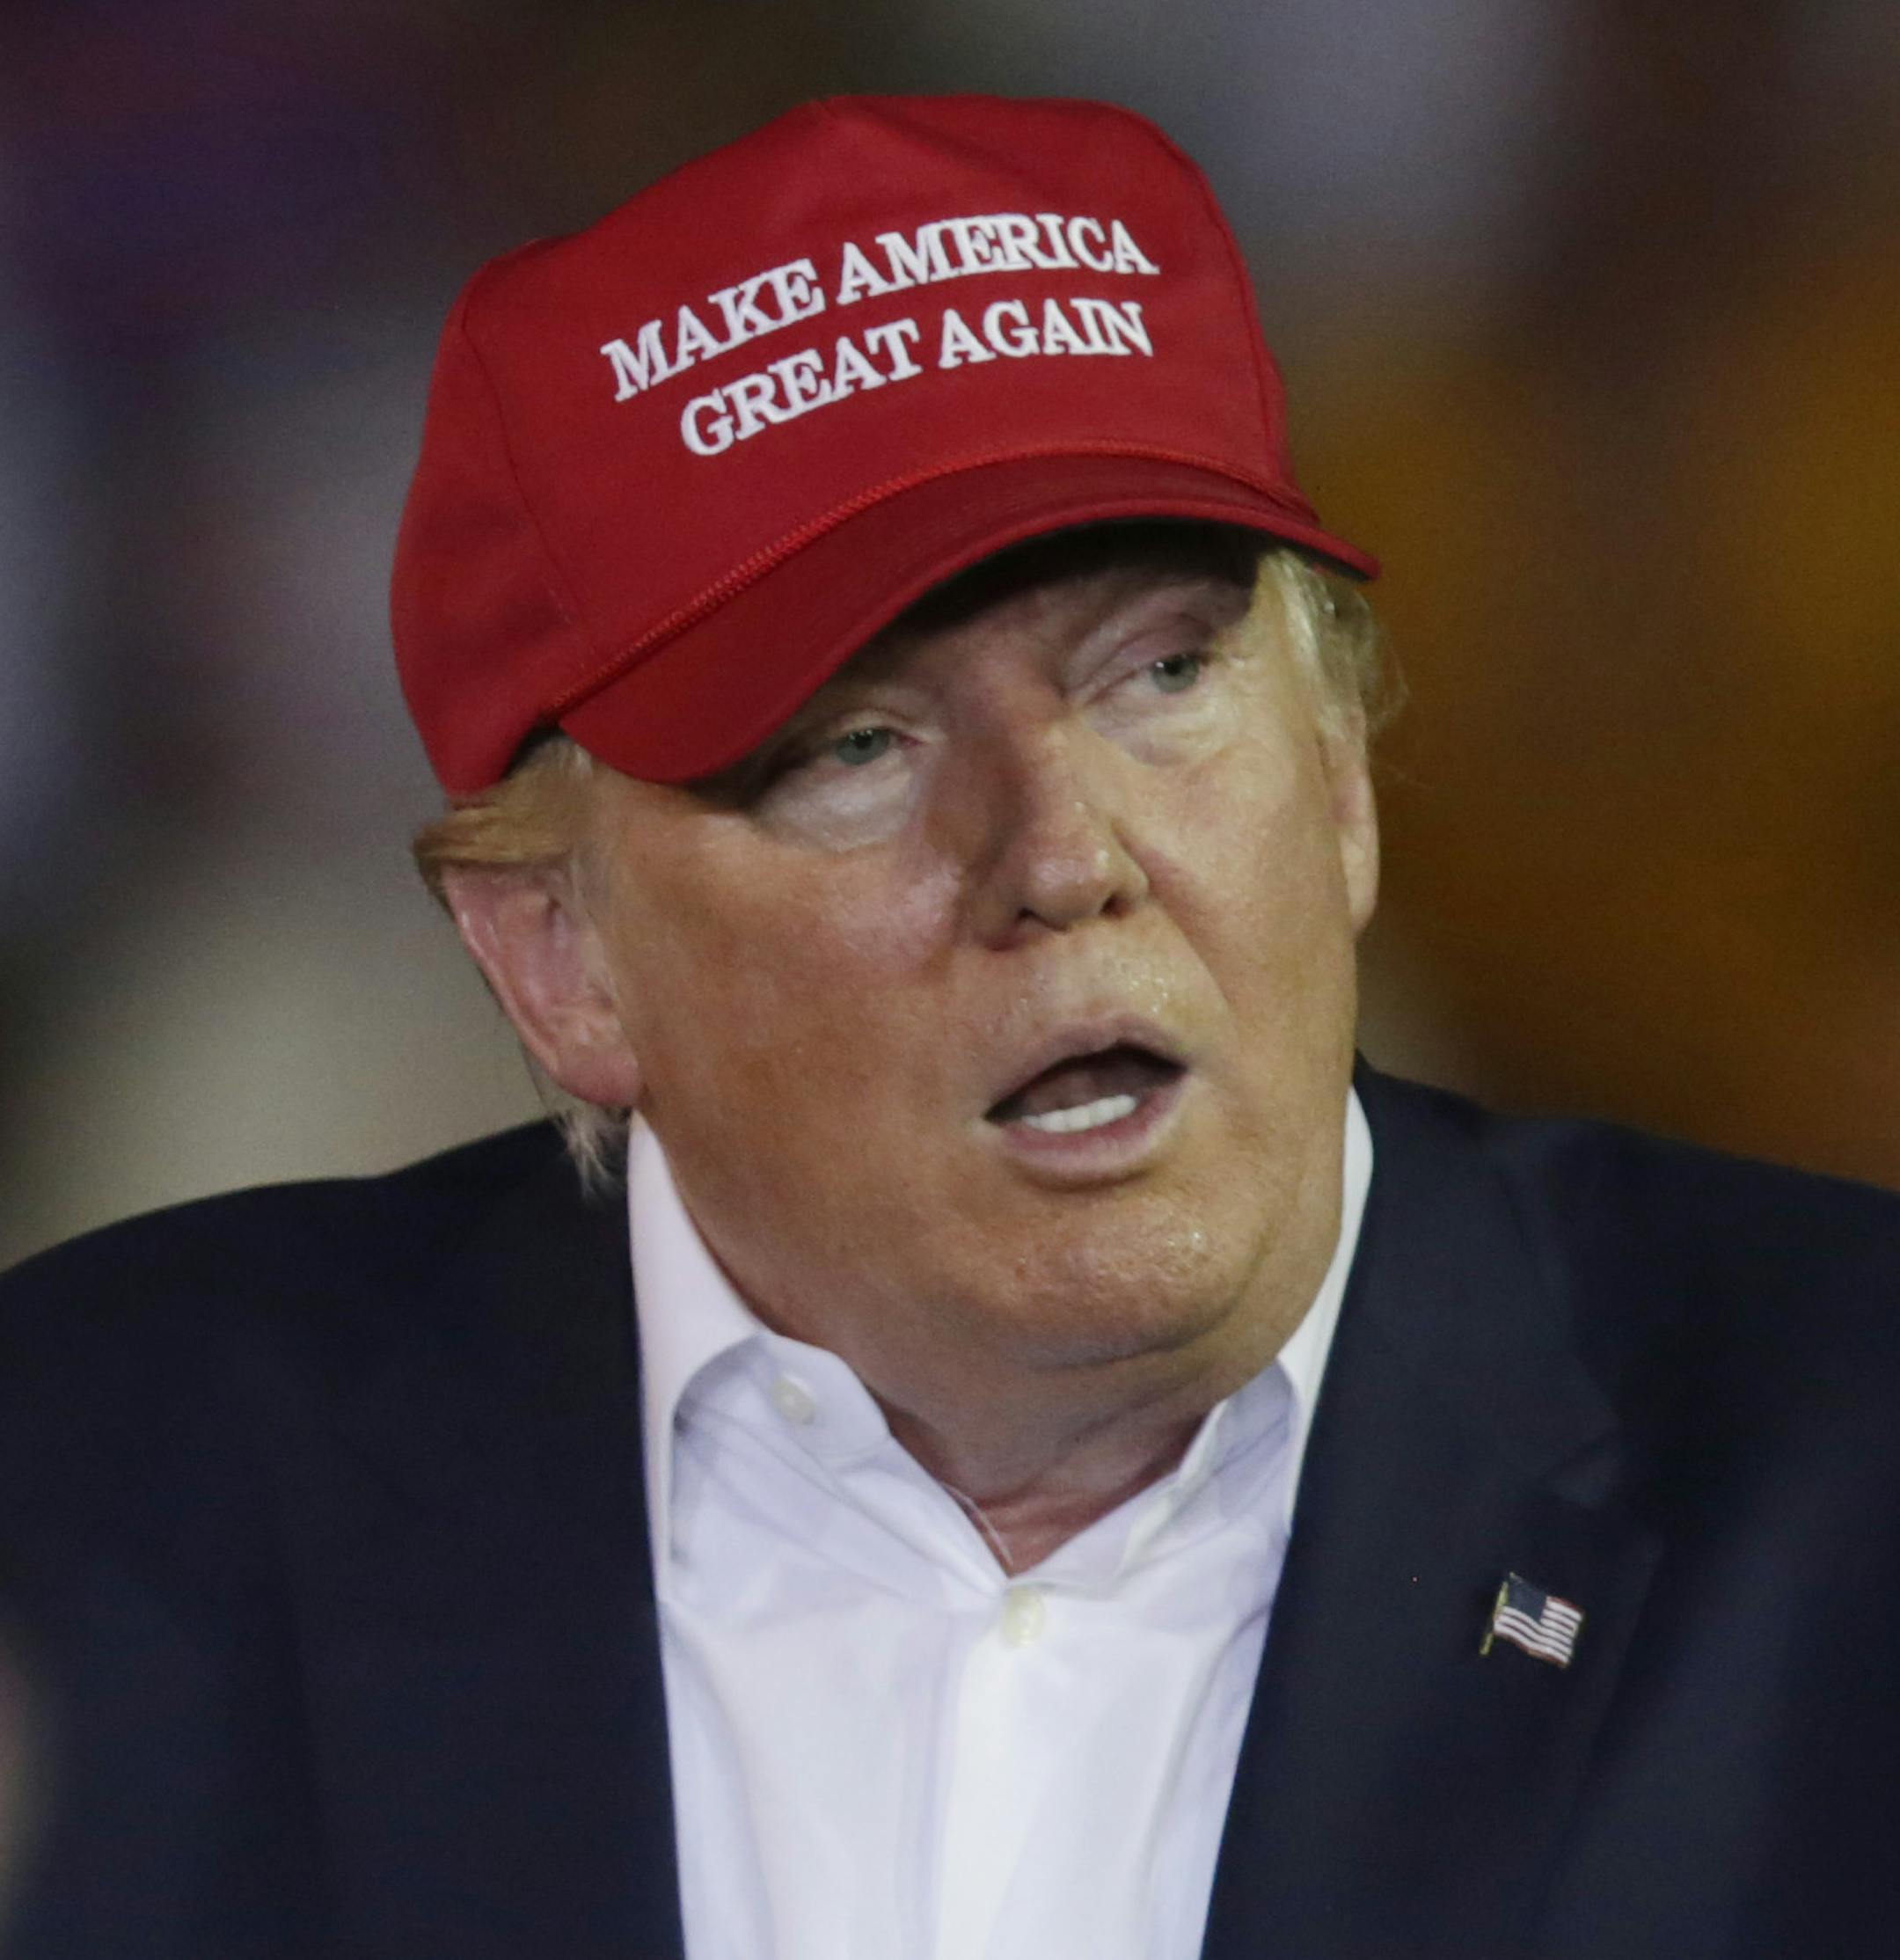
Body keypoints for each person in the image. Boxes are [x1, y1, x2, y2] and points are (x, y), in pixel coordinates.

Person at [1, 93, 1896, 1960]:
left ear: (1338, 777)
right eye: (857, 749)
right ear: (557, 958)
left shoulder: (1844, 1461)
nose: (1064, 853)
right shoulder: (89, 1512)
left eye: (1160, 671)